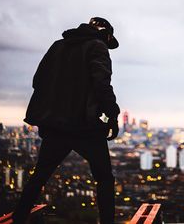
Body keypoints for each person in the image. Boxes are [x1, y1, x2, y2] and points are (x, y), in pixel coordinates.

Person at [12, 17, 121, 224]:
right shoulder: (98, 46)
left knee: (40, 175)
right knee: (104, 178)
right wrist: (113, 115)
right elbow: (101, 84)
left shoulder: (58, 46)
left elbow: (38, 81)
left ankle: (19, 218)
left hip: (56, 124)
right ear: (106, 35)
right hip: (84, 126)